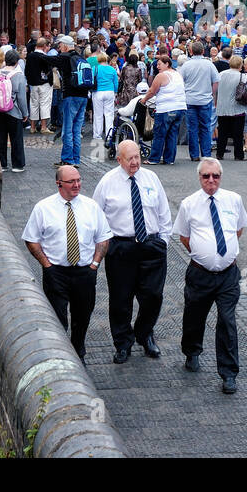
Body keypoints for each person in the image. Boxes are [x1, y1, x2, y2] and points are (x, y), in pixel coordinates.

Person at [92, 140, 173, 363]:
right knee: (120, 299)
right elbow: (95, 217)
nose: (135, 162)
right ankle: (122, 343)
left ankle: (145, 333)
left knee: (153, 296)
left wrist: (163, 242)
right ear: (119, 160)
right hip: (121, 247)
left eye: (137, 157)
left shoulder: (151, 179)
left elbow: (164, 213)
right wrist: (103, 247)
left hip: (151, 246)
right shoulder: (108, 182)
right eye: (130, 159)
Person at [175, 159, 247, 394]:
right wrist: (202, 254)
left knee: (227, 321)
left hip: (228, 275)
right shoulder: (189, 204)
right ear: (199, 177)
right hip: (200, 274)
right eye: (206, 176)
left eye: (216, 176)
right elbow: (184, 237)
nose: (211, 181)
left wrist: (223, 255)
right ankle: (192, 350)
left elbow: (238, 230)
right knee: (194, 315)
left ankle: (229, 373)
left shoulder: (234, 200)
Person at [22, 166, 110, 360]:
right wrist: (47, 265)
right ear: (59, 183)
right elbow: (31, 239)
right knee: (56, 318)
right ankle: (60, 355)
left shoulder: (91, 207)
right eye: (71, 181)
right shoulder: (43, 208)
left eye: (79, 180)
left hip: (84, 272)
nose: (77, 185)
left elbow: (103, 238)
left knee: (83, 316)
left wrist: (94, 265)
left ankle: (78, 351)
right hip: (56, 273)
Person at [52, 36, 93, 166]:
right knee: (76, 130)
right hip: (83, 96)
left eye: (60, 46)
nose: (59, 48)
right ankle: (76, 159)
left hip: (71, 96)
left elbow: (49, 60)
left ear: (65, 45)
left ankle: (67, 159)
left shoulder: (67, 58)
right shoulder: (81, 58)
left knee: (68, 129)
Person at [0, 49, 30, 171]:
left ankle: (2, 164)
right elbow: (21, 97)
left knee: (0, 138)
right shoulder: (18, 76)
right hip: (13, 110)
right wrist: (25, 113)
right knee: (16, 138)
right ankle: (17, 165)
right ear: (17, 62)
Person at [180, 41, 219, 162]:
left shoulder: (186, 65)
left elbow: (181, 82)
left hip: (190, 99)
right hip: (205, 99)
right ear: (203, 51)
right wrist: (211, 93)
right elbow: (216, 81)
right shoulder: (209, 64)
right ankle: (206, 154)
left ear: (191, 51)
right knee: (205, 127)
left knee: (192, 128)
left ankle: (194, 154)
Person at [144, 53, 186, 165]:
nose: (157, 67)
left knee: (159, 134)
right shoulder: (178, 74)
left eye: (159, 64)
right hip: (180, 108)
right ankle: (169, 159)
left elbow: (152, 91)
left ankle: (154, 159)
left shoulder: (161, 76)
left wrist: (143, 100)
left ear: (167, 64)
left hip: (166, 109)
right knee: (172, 134)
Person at [215, 55, 247, 161]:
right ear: (240, 65)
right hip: (237, 108)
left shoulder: (220, 75)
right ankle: (238, 155)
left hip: (222, 107)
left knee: (222, 132)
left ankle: (220, 153)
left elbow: (215, 90)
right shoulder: (242, 76)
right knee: (238, 133)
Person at [25, 37, 55, 134]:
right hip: (44, 84)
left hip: (33, 84)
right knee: (44, 104)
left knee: (33, 104)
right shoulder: (44, 57)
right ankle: (43, 126)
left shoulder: (29, 56)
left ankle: (33, 127)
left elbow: (27, 71)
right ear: (44, 46)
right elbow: (48, 71)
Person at [91, 48, 119, 142]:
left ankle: (97, 134)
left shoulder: (94, 69)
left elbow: (91, 81)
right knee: (109, 114)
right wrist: (115, 92)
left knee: (98, 114)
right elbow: (116, 83)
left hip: (98, 92)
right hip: (110, 92)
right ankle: (109, 134)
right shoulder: (112, 69)